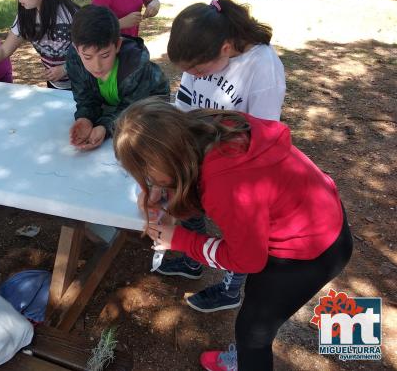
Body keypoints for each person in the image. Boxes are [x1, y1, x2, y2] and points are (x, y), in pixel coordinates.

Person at [113, 97, 352, 371]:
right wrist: (163, 194)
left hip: (312, 250)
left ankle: (245, 361)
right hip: (318, 215)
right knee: (255, 307)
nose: (147, 182)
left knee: (253, 333)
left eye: (148, 175)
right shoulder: (200, 127)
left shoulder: (226, 186)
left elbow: (246, 261)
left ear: (167, 161)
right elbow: (195, 185)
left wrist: (178, 239)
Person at [152, 0, 286, 314]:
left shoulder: (262, 66)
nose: (194, 75)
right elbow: (183, 106)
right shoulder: (198, 55)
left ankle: (231, 288)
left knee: (237, 232)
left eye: (198, 69)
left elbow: (265, 137)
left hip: (236, 169)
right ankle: (193, 260)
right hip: (200, 154)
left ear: (226, 48)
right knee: (186, 199)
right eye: (188, 71)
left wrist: (216, 134)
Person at [67, 4, 169, 151]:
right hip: (117, 105)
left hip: (151, 104)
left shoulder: (136, 67)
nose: (97, 66)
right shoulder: (74, 60)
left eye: (105, 55)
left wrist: (104, 127)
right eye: (88, 57)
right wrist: (85, 118)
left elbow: (131, 109)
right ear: (77, 49)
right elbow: (86, 98)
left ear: (118, 45)